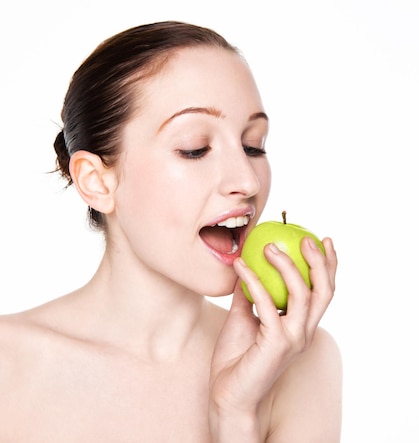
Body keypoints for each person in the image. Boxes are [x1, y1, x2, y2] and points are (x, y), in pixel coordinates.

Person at [0, 21, 342, 442]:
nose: (248, 182)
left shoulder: (300, 362)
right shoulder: (7, 366)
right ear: (97, 181)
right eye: (195, 148)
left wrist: (233, 413)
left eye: (253, 145)